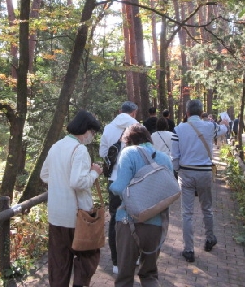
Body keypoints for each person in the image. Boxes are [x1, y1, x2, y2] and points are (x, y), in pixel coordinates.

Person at [40, 110, 103, 287]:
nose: (92, 136)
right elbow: (78, 182)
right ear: (86, 130)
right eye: (93, 132)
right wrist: (94, 172)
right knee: (88, 256)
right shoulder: (80, 149)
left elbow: (44, 174)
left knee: (59, 261)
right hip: (77, 216)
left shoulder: (57, 145)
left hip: (56, 214)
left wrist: (60, 182)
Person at [110, 124, 174, 286]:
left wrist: (110, 187)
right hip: (156, 224)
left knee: (125, 276)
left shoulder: (129, 153)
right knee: (150, 275)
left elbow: (120, 187)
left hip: (129, 222)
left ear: (129, 140)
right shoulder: (165, 158)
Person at [171, 99, 229, 263]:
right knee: (207, 208)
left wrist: (177, 170)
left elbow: (175, 156)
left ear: (187, 112)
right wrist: (224, 123)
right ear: (201, 112)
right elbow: (223, 129)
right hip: (204, 172)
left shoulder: (178, 129)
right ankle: (210, 238)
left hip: (186, 173)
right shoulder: (210, 126)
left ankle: (188, 249)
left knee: (187, 213)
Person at [99, 101, 139, 275]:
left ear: (119, 111)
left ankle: (115, 262)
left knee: (115, 217)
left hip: (114, 179)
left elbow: (102, 153)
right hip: (132, 179)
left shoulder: (108, 128)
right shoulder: (137, 127)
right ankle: (133, 257)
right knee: (134, 217)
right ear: (134, 113)